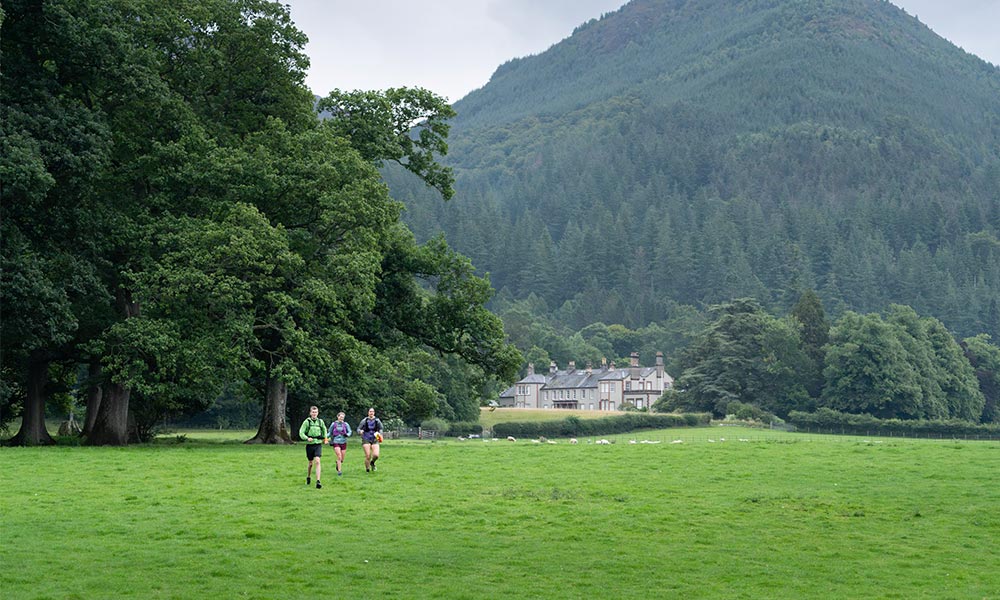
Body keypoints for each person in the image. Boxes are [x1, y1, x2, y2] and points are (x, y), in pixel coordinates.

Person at [299, 406, 328, 489]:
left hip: (318, 444)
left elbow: (324, 430)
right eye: (313, 412)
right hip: (310, 445)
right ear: (310, 413)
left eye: (316, 412)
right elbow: (301, 432)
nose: (314, 414)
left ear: (318, 413)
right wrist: (307, 438)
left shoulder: (320, 422)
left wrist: (325, 439)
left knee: (318, 461)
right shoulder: (307, 422)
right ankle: (308, 476)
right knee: (311, 463)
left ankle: (318, 481)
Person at [357, 407, 384, 472]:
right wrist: (360, 431)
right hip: (366, 438)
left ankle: (372, 462)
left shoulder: (377, 420)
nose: (371, 413)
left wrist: (380, 434)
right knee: (368, 456)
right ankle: (367, 469)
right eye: (370, 411)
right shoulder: (364, 420)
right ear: (368, 413)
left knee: (376, 455)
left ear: (374, 413)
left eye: (372, 412)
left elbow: (381, 428)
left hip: (375, 438)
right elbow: (358, 429)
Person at [326, 412, 352, 476]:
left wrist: (347, 435)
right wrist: (326, 438)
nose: (341, 418)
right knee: (339, 456)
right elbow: (330, 432)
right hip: (336, 441)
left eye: (342, 417)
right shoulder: (333, 424)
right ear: (337, 417)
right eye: (340, 417)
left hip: (343, 442)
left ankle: (338, 463)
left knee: (342, 459)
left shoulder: (346, 424)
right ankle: (339, 471)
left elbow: (350, 431)